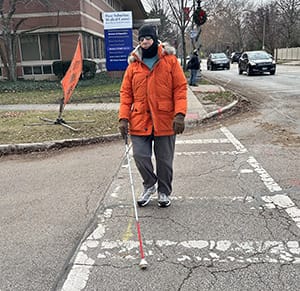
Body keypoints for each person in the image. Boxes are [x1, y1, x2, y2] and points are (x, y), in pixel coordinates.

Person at [118, 24, 187, 208]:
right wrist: (123, 118)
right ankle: (150, 184)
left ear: (155, 39)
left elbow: (180, 88)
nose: (144, 42)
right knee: (139, 155)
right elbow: (126, 94)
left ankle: (164, 191)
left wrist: (179, 114)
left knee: (164, 160)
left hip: (165, 119)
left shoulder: (169, 60)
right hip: (140, 118)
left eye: (147, 38)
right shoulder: (133, 65)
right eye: (141, 39)